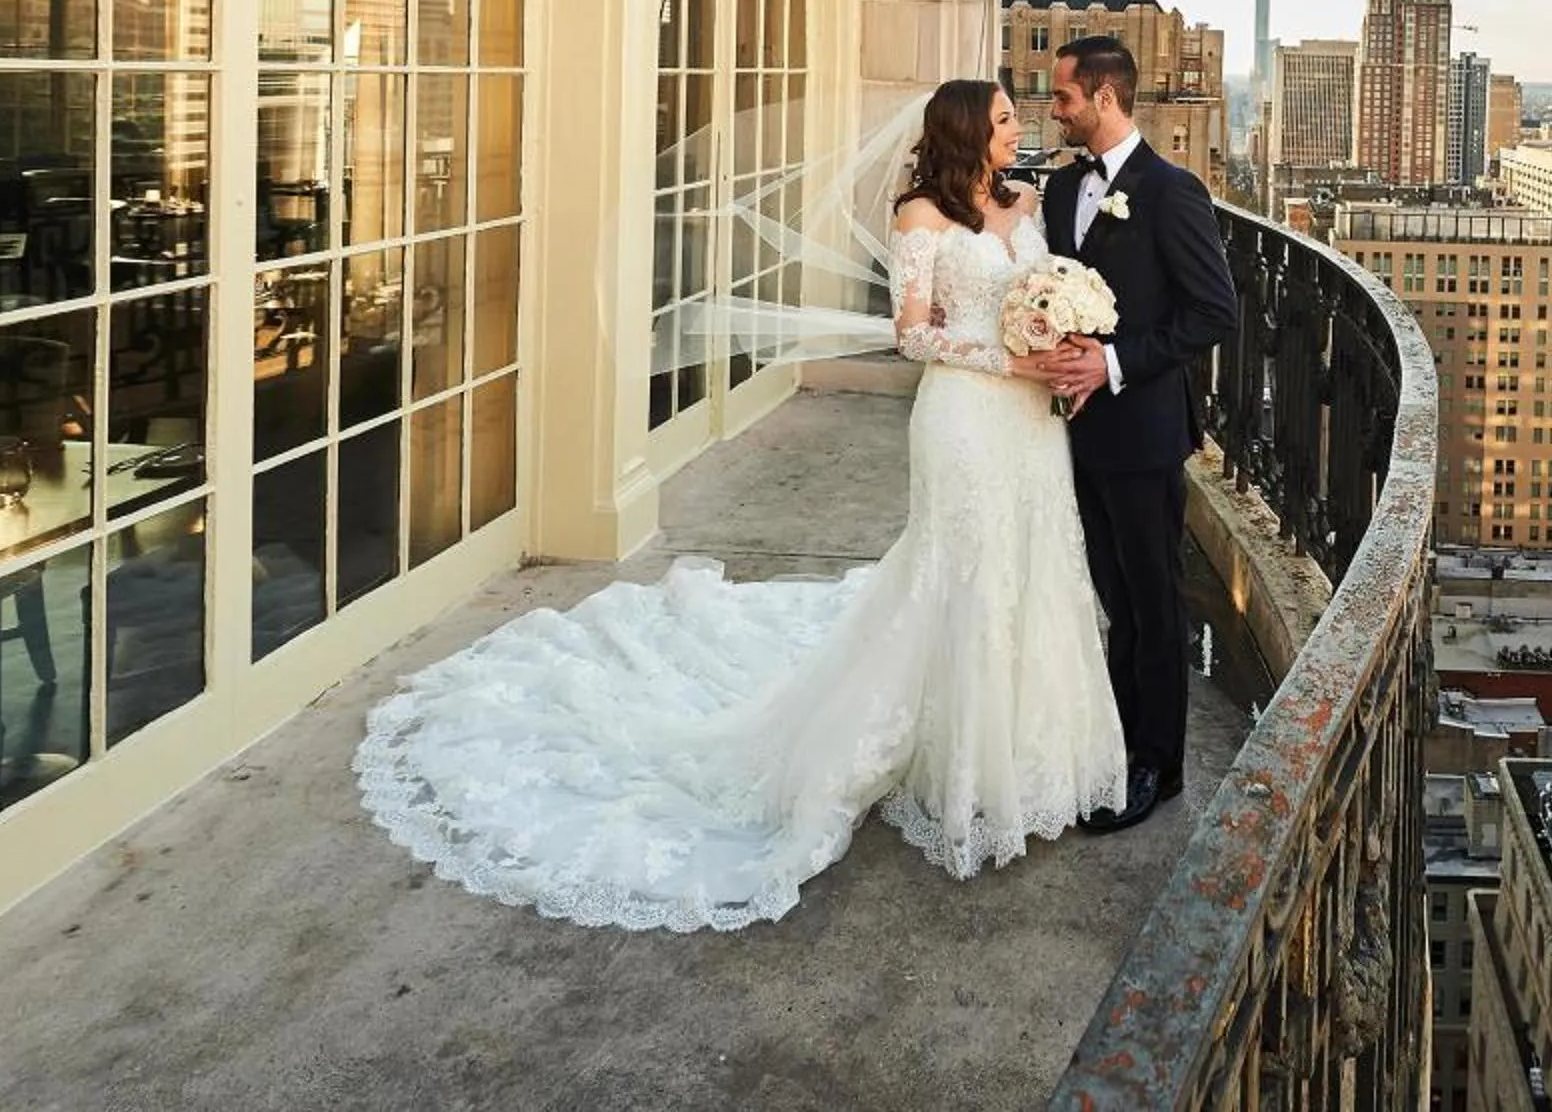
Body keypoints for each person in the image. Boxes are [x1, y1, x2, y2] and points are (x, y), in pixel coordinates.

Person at [352, 80, 1127, 929]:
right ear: (969, 131)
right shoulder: (920, 217)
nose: (1021, 129)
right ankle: (960, 766)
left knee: (1035, 567)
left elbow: (1040, 295)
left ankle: (1030, 755)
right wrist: (1008, 361)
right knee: (965, 574)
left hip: (1030, 426)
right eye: (1008, 118)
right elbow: (911, 332)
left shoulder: (1024, 202)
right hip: (965, 420)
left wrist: (1063, 342)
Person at [1028, 36, 1240, 834]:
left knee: (1154, 606)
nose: (1057, 109)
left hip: (1144, 433)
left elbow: (1214, 314)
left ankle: (1159, 765)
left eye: (1065, 97)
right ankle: (1112, 743)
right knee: (1111, 597)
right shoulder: (1060, 192)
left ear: (1106, 97)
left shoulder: (1171, 192)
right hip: (1071, 436)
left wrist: (1112, 363)